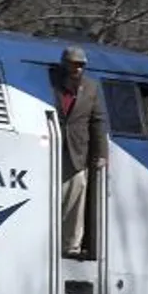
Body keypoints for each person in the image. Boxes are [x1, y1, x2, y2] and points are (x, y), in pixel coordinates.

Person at [52, 46, 107, 258]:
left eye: (81, 65)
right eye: (74, 64)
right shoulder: (51, 83)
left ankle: (70, 245)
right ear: (65, 64)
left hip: (77, 151)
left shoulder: (91, 88)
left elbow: (98, 122)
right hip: (52, 148)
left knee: (76, 195)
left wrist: (101, 154)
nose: (78, 68)